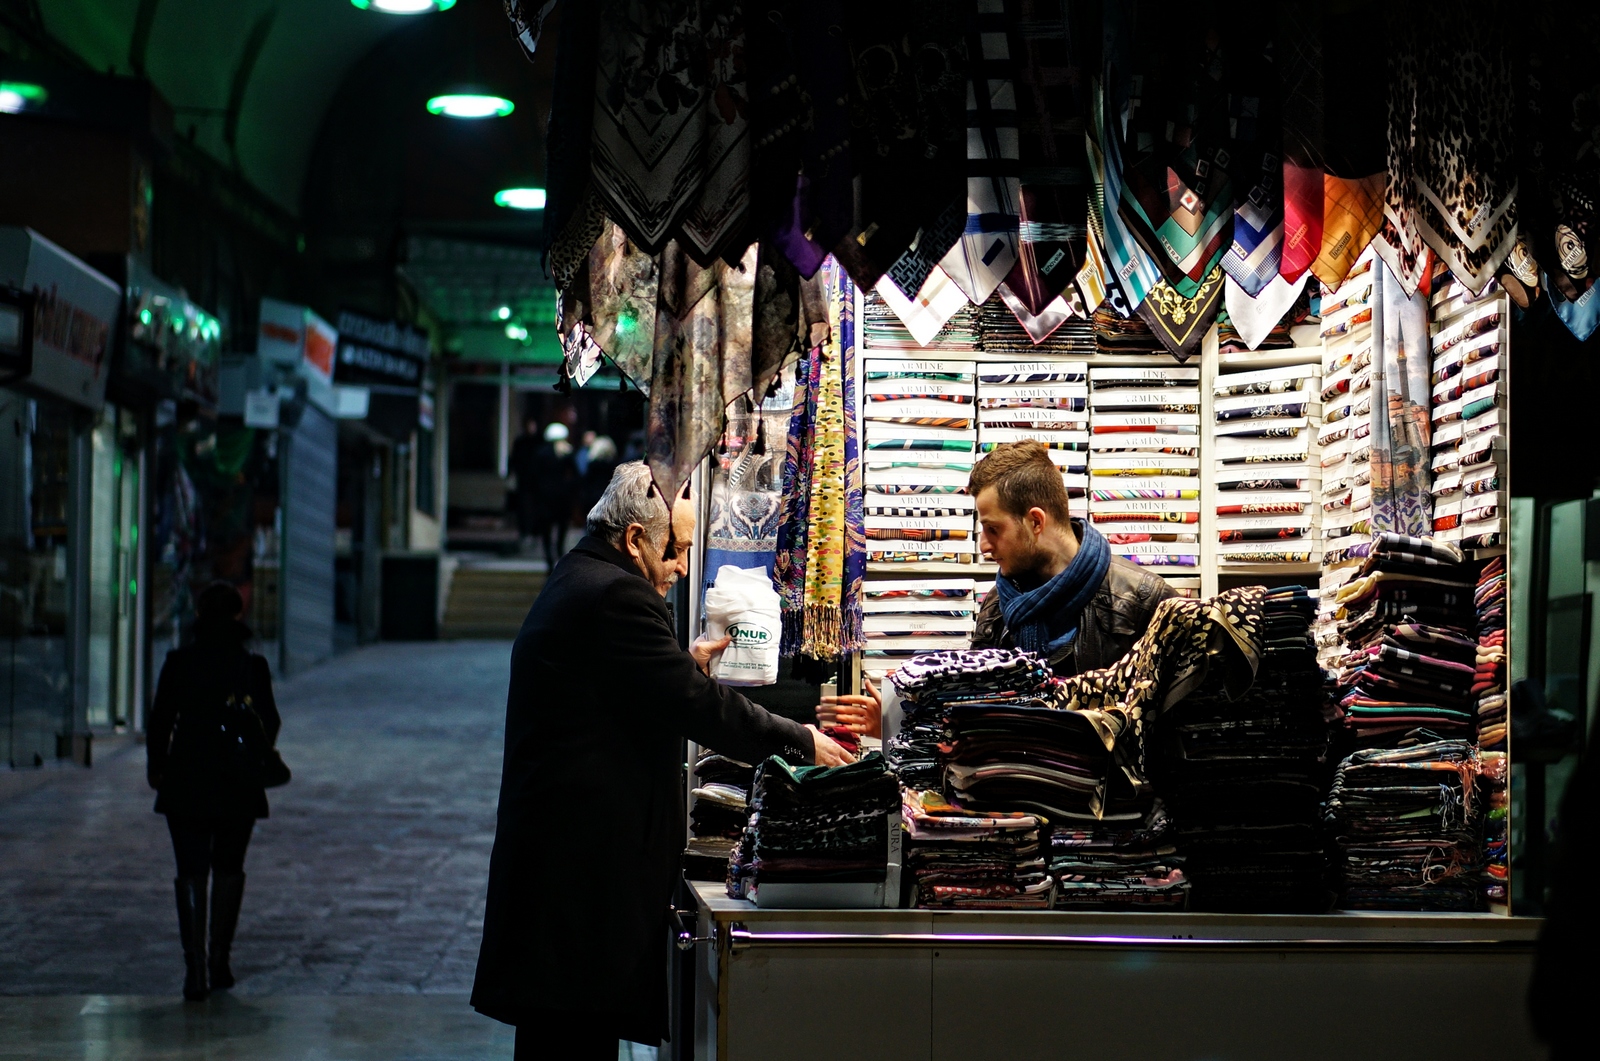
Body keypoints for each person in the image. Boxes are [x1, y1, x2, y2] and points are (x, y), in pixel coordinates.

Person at [472, 461, 850, 1060]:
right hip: (575, 882)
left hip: (562, 872)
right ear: (634, 540)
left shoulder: (583, 574)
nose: (679, 568)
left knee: (562, 1038)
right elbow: (702, 708)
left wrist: (681, 669)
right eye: (675, 552)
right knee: (570, 1040)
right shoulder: (616, 594)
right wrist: (800, 740)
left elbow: (634, 690)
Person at [820, 439, 1175, 731]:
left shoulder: (1144, 601)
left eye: (993, 529)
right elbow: (976, 718)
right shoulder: (998, 605)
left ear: (1035, 521)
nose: (984, 546)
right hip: (1013, 800)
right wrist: (903, 722)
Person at [146, 581, 282, 1001]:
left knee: (190, 869)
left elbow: (160, 720)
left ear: (200, 616)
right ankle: (220, 959)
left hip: (187, 775)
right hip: (237, 781)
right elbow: (270, 722)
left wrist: (158, 767)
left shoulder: (178, 661)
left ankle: (196, 969)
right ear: (238, 615)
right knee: (228, 867)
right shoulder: (250, 665)